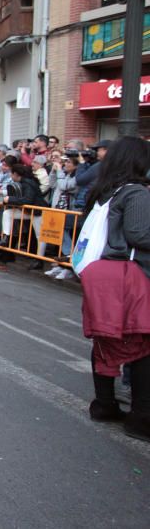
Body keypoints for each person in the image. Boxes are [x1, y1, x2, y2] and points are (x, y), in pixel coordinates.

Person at [77, 136, 150, 442]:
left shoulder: (103, 191)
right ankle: (141, 417)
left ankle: (104, 402)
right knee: (142, 343)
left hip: (100, 273)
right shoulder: (136, 193)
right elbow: (140, 234)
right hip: (128, 275)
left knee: (106, 338)